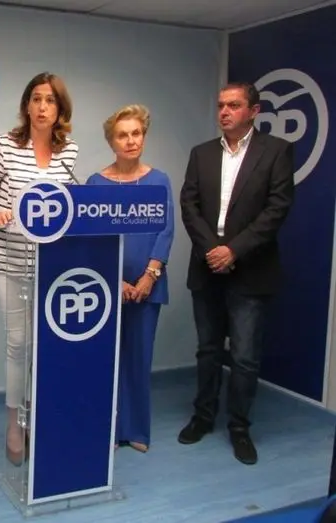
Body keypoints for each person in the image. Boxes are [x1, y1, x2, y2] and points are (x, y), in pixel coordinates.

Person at [178, 82, 294, 465]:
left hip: (251, 270)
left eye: (233, 105)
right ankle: (203, 416)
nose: (224, 112)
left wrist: (234, 250)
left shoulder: (275, 151)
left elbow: (277, 209)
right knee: (208, 350)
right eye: (221, 105)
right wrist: (213, 250)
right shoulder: (202, 153)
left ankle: (239, 428)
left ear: (254, 111)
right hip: (207, 266)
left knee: (244, 356)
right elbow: (189, 205)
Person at [0, 72, 78, 465]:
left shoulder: (69, 152)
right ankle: (13, 423)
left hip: (52, 266)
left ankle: (36, 416)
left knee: (45, 346)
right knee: (18, 343)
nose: (42, 107)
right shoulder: (5, 145)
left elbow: (69, 205)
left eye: (50, 100)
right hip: (9, 261)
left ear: (60, 109)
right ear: (26, 105)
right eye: (36, 99)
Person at [86, 104, 175, 453]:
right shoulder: (96, 183)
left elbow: (165, 231)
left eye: (136, 133)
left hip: (148, 286)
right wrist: (114, 279)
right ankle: (107, 430)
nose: (130, 141)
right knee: (104, 360)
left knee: (139, 359)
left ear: (144, 137)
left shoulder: (159, 180)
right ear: (112, 142)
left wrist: (149, 276)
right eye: (122, 135)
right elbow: (92, 238)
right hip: (106, 286)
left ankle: (137, 430)